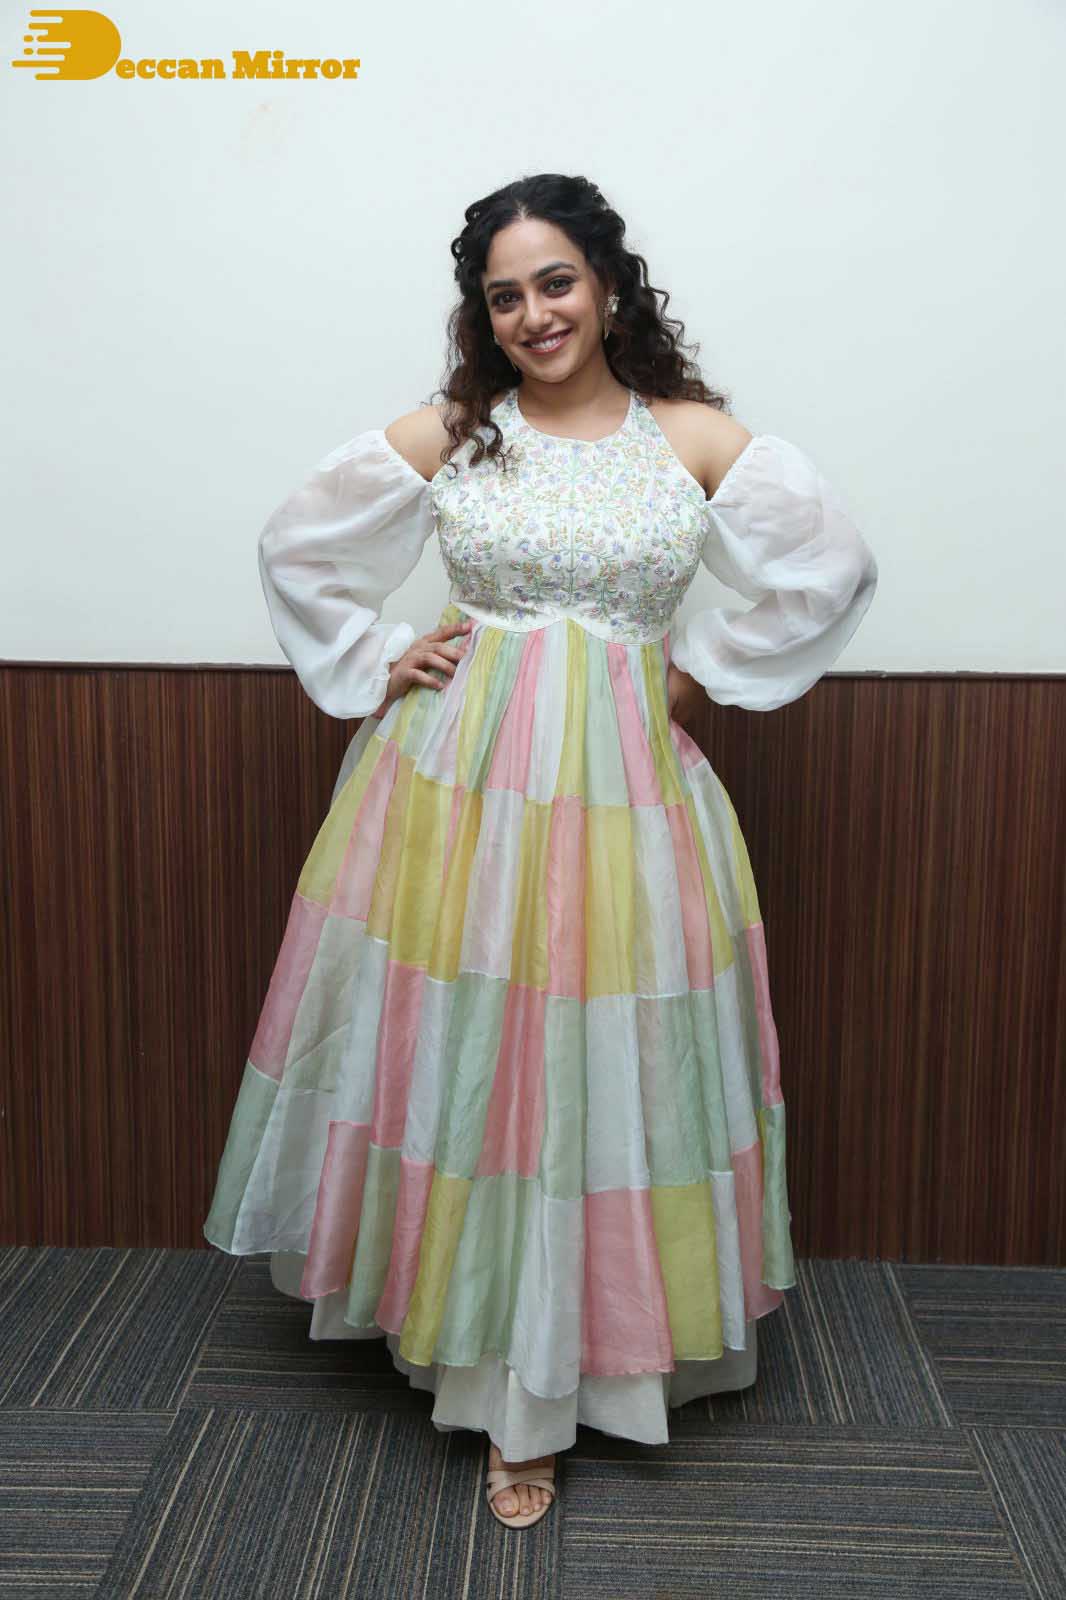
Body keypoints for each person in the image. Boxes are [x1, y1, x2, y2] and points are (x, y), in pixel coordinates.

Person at [204, 172, 878, 1530]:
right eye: (504, 295)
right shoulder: (462, 435)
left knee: (604, 1068)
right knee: (472, 1064)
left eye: (555, 281)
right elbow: (295, 545)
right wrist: (381, 655)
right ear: (485, 315)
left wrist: (691, 673)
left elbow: (831, 569)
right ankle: (496, 1376)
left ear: (609, 286)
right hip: (453, 798)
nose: (533, 313)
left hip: (627, 804)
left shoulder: (690, 438)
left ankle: (575, 1369)